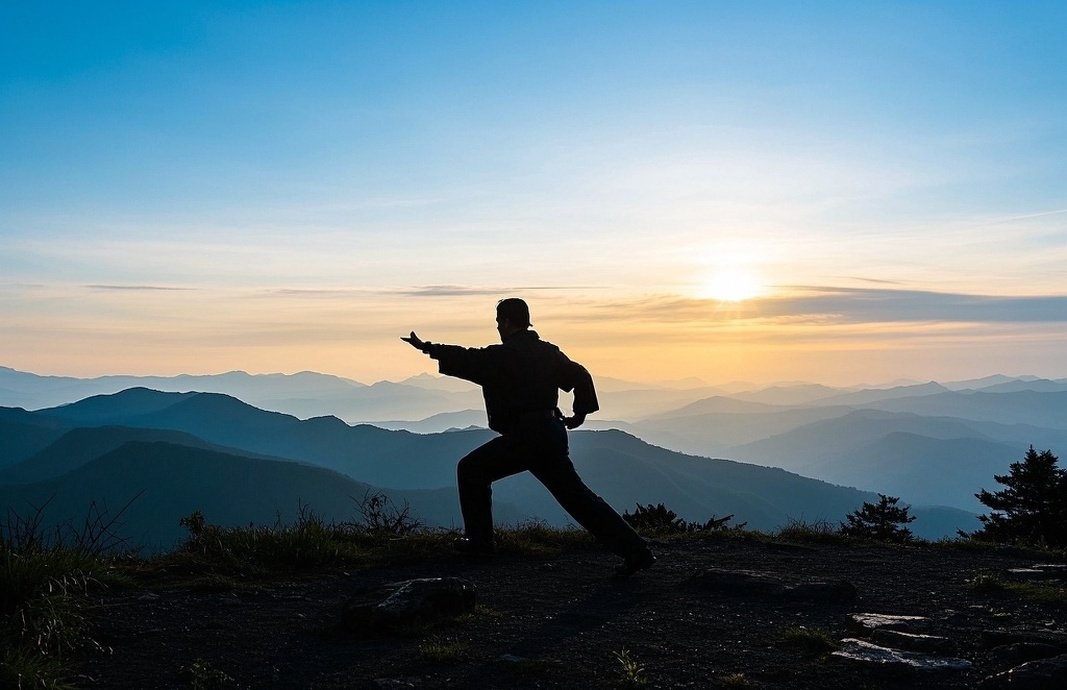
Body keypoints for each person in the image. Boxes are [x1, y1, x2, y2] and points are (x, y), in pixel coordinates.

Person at [402, 298, 656, 578]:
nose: (498, 327)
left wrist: (427, 348)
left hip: (524, 437)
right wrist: (580, 413)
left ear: (508, 322)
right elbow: (580, 374)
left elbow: (467, 358)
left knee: (471, 469)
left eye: (499, 321)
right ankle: (636, 551)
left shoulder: (501, 357)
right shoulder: (548, 353)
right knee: (579, 499)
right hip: (550, 433)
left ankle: (480, 543)